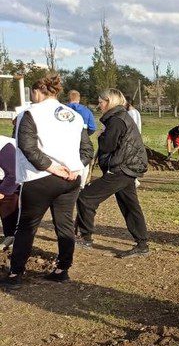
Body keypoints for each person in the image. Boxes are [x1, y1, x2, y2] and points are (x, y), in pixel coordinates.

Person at [0, 74, 93, 290]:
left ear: (35, 92)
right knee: (64, 224)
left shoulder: (30, 113)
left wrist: (53, 168)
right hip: (70, 179)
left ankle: (15, 275)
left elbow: (27, 147)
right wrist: (74, 168)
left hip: (40, 178)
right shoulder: (73, 115)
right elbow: (87, 149)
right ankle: (62, 269)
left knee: (26, 227)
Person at [75, 89, 150, 257]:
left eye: (101, 102)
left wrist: (101, 136)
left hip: (122, 168)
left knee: (86, 198)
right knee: (130, 205)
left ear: (109, 102)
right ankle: (142, 244)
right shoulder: (120, 117)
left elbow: (107, 146)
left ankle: (85, 238)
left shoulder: (116, 120)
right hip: (128, 166)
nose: (98, 105)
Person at [0, 133, 19, 250]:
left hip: (14, 180)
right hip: (5, 176)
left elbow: (13, 175)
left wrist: (2, 191)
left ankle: (12, 237)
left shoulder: (3, 146)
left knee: (8, 201)